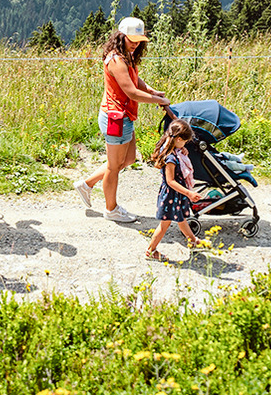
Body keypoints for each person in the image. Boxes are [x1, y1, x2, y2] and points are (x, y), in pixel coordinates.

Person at [74, 16, 171, 224]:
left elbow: (133, 78)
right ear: (121, 36)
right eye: (131, 40)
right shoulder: (116, 60)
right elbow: (131, 91)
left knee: (128, 159)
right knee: (113, 166)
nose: (135, 44)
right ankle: (111, 209)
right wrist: (158, 100)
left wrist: (152, 91)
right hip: (116, 118)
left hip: (124, 116)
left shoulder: (126, 55)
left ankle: (86, 184)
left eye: (138, 40)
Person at [145, 118, 201, 260]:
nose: (185, 145)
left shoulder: (171, 148)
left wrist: (181, 149)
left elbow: (178, 148)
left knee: (181, 219)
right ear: (179, 139)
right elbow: (170, 181)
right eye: (184, 142)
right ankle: (151, 250)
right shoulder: (170, 158)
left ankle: (193, 241)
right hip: (171, 195)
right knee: (165, 224)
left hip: (176, 195)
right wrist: (189, 193)